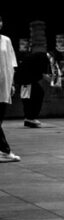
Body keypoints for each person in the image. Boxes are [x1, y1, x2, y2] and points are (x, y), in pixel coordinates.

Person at [16, 41, 51, 128]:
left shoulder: (40, 56)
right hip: (26, 80)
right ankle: (30, 117)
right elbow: (42, 73)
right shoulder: (43, 58)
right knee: (32, 96)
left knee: (31, 96)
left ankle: (29, 118)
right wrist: (48, 78)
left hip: (25, 79)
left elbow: (38, 72)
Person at [0, 15, 20, 162]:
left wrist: (12, 84)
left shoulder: (6, 40)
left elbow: (12, 63)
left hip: (4, 84)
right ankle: (5, 150)